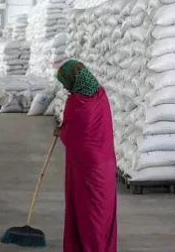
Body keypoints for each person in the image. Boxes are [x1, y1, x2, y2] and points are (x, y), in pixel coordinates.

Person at [56, 60, 118, 252]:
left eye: (65, 82)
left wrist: (60, 132)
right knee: (103, 212)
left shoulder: (75, 101)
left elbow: (72, 135)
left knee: (87, 213)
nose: (65, 87)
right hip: (106, 164)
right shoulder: (101, 94)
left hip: (86, 168)